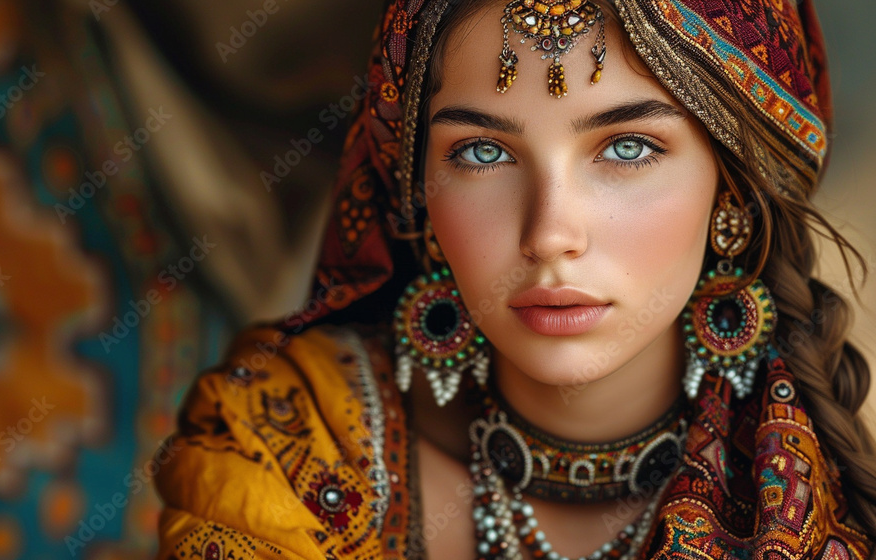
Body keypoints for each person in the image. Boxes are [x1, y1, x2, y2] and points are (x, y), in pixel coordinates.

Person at [153, 0, 876, 558]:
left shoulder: (805, 508)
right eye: (482, 153)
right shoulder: (286, 444)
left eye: (626, 147)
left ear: (731, 196)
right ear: (420, 200)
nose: (550, 233)